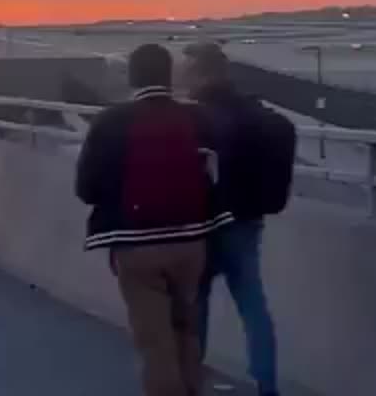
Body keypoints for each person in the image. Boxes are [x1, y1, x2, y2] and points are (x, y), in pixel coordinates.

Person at [77, 44, 233, 396]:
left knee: (155, 344)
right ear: (169, 75)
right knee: (187, 333)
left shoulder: (111, 122)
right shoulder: (198, 118)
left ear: (132, 76)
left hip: (137, 246)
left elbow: (86, 189)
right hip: (192, 242)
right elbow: (214, 175)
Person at [182, 42, 295, 396]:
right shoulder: (253, 111)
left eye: (188, 69)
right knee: (253, 306)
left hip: (206, 223)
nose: (183, 76)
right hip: (247, 221)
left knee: (196, 304)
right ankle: (267, 385)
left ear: (201, 72)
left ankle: (191, 381)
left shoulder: (196, 114)